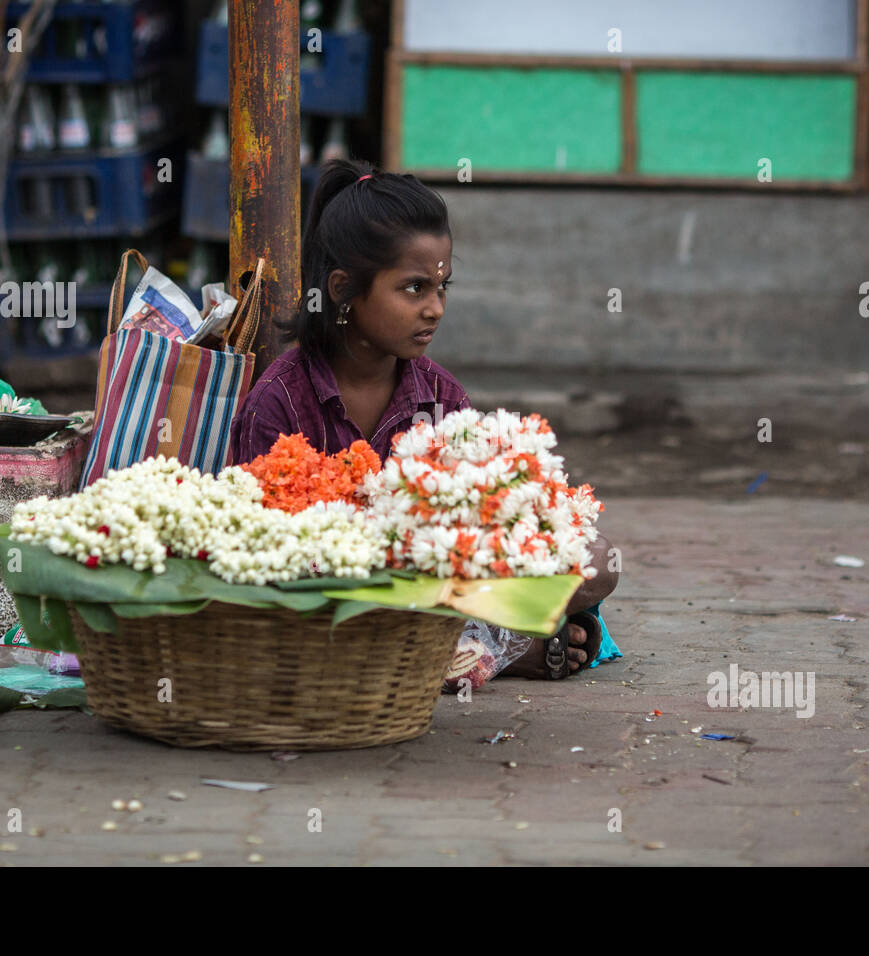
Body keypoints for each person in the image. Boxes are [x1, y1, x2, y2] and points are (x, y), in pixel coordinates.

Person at [229, 159, 620, 679]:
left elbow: (475, 530)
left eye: (443, 288)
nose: (435, 308)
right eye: (414, 288)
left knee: (594, 557)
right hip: (328, 599)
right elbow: (257, 554)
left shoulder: (441, 395)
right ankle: (486, 652)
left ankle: (457, 650)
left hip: (434, 593)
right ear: (344, 289)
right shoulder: (279, 400)